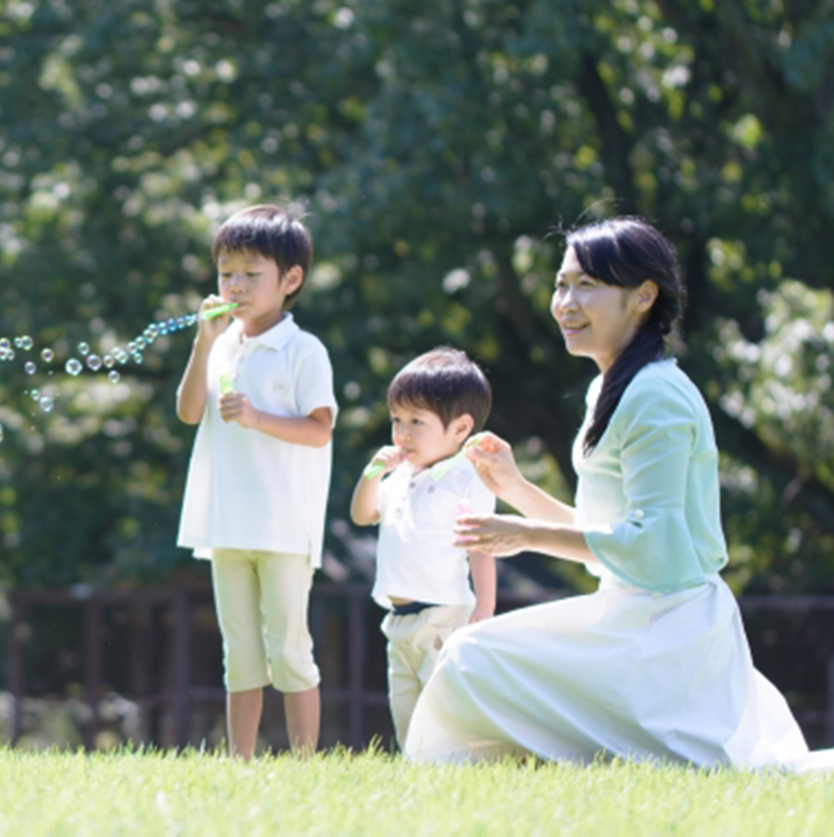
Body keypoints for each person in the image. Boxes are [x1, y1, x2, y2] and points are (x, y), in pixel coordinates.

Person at [404, 216, 818, 768]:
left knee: (467, 660)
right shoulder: (611, 387)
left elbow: (651, 546)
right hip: (633, 615)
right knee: (467, 658)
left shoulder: (656, 396)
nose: (566, 303)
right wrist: (515, 488)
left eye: (587, 286)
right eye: (561, 284)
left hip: (666, 633)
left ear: (643, 296)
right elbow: (607, 529)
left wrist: (525, 534)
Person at [176, 204, 336, 760]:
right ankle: (239, 763)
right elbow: (189, 411)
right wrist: (204, 340)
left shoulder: (303, 349)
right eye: (226, 272)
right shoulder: (221, 344)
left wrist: (258, 417)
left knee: (290, 649)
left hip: (284, 525)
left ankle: (305, 763)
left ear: (290, 280)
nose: (235, 285)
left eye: (251, 273)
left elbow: (320, 430)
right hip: (226, 522)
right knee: (239, 652)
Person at [349, 347, 496, 748]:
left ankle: (463, 768)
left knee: (444, 710)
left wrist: (485, 605)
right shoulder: (399, 476)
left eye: (417, 421)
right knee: (406, 713)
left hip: (443, 616)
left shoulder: (465, 477)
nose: (402, 432)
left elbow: (481, 544)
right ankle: (419, 774)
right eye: (397, 419)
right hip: (398, 620)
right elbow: (363, 515)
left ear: (460, 428)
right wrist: (372, 474)